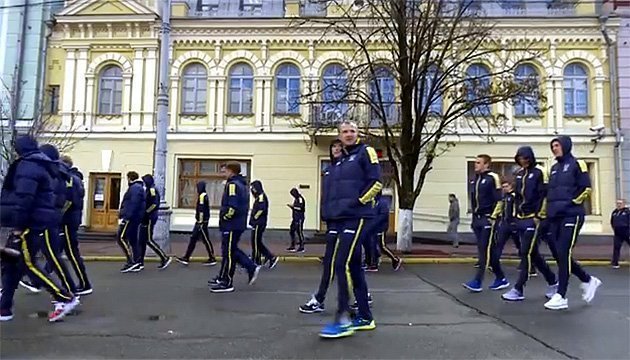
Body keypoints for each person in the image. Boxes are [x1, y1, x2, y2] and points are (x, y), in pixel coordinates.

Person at [0, 135, 79, 322]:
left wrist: (19, 226)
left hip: (29, 223)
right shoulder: (36, 165)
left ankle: (65, 297)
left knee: (28, 264)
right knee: (11, 263)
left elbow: (25, 197)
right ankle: (4, 307)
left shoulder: (29, 166)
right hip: (31, 221)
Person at [319, 121, 380, 339]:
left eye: (352, 131)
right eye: (345, 132)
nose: (349, 134)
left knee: (340, 263)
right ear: (339, 135)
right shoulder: (340, 160)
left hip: (357, 216)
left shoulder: (366, 152)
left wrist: (357, 202)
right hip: (339, 219)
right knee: (353, 266)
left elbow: (376, 183)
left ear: (358, 134)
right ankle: (365, 316)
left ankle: (343, 317)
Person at [544, 136, 601, 310]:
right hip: (555, 217)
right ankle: (588, 280)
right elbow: (550, 193)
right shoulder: (553, 168)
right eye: (552, 146)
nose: (554, 148)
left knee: (563, 251)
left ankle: (561, 295)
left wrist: (570, 203)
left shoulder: (578, 164)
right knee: (560, 254)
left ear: (566, 146)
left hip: (571, 215)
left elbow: (586, 189)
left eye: (557, 145)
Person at [18, 144, 78, 296]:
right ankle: (35, 283)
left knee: (52, 256)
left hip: (46, 218)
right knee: (31, 257)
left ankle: (69, 291)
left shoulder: (52, 173)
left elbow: (54, 198)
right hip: (47, 217)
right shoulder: (55, 172)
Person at [502, 147, 558, 302]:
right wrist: (514, 215)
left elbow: (544, 195)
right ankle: (553, 281)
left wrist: (539, 215)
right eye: (520, 158)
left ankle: (518, 288)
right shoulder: (519, 174)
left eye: (525, 158)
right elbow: (518, 197)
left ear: (530, 158)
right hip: (521, 217)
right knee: (533, 254)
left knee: (525, 253)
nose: (523, 160)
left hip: (533, 218)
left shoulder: (539, 173)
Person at [300, 139, 342, 314]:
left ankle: (319, 299)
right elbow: (327, 196)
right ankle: (363, 296)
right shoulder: (329, 171)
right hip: (333, 221)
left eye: (340, 147)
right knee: (342, 262)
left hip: (345, 221)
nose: (337, 149)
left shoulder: (348, 169)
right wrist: (325, 215)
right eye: (334, 147)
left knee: (334, 262)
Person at [209, 162, 261, 293]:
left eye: (225, 171)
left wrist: (225, 217)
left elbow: (232, 207)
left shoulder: (232, 185)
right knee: (230, 250)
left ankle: (228, 281)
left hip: (231, 224)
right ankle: (229, 276)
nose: (223, 174)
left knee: (229, 253)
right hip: (237, 223)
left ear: (232, 171)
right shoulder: (242, 184)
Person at [462, 154, 509, 293]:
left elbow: (500, 200)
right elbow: (475, 201)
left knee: (484, 250)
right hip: (478, 219)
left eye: (478, 162)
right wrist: (474, 219)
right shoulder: (476, 179)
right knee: (490, 252)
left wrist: (493, 217)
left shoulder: (492, 178)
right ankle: (501, 278)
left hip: (488, 219)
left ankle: (477, 281)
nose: (476, 165)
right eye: (475, 162)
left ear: (486, 164)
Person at [59, 154, 92, 295]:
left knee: (72, 253)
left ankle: (84, 284)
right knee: (62, 252)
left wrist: (58, 215)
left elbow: (68, 201)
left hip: (67, 221)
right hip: (71, 219)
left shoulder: (69, 179)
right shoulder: (76, 179)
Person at [175, 181, 217, 266]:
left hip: (201, 222)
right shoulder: (204, 195)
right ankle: (186, 257)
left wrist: (200, 221)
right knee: (194, 239)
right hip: (201, 221)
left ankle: (212, 258)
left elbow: (201, 209)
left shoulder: (202, 196)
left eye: (198, 187)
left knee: (205, 240)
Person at [138, 174, 171, 270]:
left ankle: (164, 257)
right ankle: (140, 261)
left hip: (149, 218)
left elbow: (154, 204)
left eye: (144, 181)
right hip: (146, 217)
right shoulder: (149, 189)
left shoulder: (152, 190)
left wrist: (146, 212)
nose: (144, 183)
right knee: (142, 240)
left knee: (148, 240)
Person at [117, 171, 146, 273]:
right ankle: (137, 262)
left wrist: (126, 217)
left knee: (121, 237)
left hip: (131, 218)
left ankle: (131, 261)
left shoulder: (135, 188)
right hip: (134, 217)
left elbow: (133, 204)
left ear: (129, 178)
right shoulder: (137, 188)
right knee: (133, 240)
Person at [249, 180, 278, 268]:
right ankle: (269, 256)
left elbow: (261, 209)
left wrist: (255, 218)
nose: (252, 190)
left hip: (258, 223)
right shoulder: (259, 196)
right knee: (258, 242)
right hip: (258, 223)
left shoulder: (261, 197)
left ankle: (256, 260)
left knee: (255, 242)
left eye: (253, 188)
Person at [372, 193, 402, 271]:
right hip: (374, 228)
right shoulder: (374, 202)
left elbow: (382, 217)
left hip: (380, 228)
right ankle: (375, 261)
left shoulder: (382, 203)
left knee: (382, 246)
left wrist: (373, 224)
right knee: (373, 244)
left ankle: (395, 259)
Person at [610, 199, 630, 268]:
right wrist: (614, 228)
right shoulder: (614, 212)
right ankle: (615, 263)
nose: (618, 205)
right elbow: (612, 221)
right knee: (616, 247)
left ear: (624, 204)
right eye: (617, 203)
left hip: (627, 232)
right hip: (618, 233)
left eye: (620, 203)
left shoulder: (627, 212)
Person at [286, 188, 306, 252]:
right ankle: (293, 245)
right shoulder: (296, 199)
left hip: (299, 218)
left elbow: (301, 208)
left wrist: (293, 207)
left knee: (299, 232)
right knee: (292, 231)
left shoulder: (300, 199)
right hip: (295, 218)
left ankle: (302, 246)